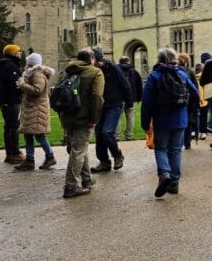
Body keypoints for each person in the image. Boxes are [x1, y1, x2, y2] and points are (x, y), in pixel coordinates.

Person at [141, 47, 200, 196]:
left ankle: (164, 174)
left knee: (160, 148)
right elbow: (195, 93)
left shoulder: (154, 76)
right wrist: (191, 110)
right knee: (175, 150)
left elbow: (147, 102)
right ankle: (174, 182)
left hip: (161, 118)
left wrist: (145, 122)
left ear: (160, 60)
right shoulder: (182, 74)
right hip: (180, 118)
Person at [58, 47, 104, 199]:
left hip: (68, 115)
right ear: (91, 59)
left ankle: (87, 179)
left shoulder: (69, 70)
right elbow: (97, 97)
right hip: (83, 117)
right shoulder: (95, 72)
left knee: (79, 147)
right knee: (78, 150)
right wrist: (94, 118)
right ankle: (70, 186)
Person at [15, 52, 57, 171]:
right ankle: (30, 159)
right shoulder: (33, 74)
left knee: (39, 136)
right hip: (32, 108)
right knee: (29, 135)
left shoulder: (37, 75)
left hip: (37, 109)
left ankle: (49, 157)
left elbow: (37, 90)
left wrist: (23, 85)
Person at [91, 47, 130, 172]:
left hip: (114, 104)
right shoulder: (92, 70)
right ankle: (104, 161)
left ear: (96, 59)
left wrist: (128, 102)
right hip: (99, 107)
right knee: (99, 135)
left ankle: (117, 155)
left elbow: (125, 83)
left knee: (107, 132)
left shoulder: (112, 68)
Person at [0, 44, 25, 164]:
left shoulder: (3, 65)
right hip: (11, 100)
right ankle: (15, 152)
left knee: (8, 126)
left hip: (5, 99)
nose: (20, 54)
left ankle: (10, 152)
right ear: (13, 53)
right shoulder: (11, 66)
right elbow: (15, 84)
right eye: (18, 52)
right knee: (13, 126)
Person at [118, 56, 143, 140]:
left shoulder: (117, 71)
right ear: (128, 62)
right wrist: (139, 98)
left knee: (118, 117)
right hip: (132, 98)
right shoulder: (134, 72)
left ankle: (116, 136)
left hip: (120, 98)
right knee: (130, 117)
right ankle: (128, 136)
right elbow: (139, 86)